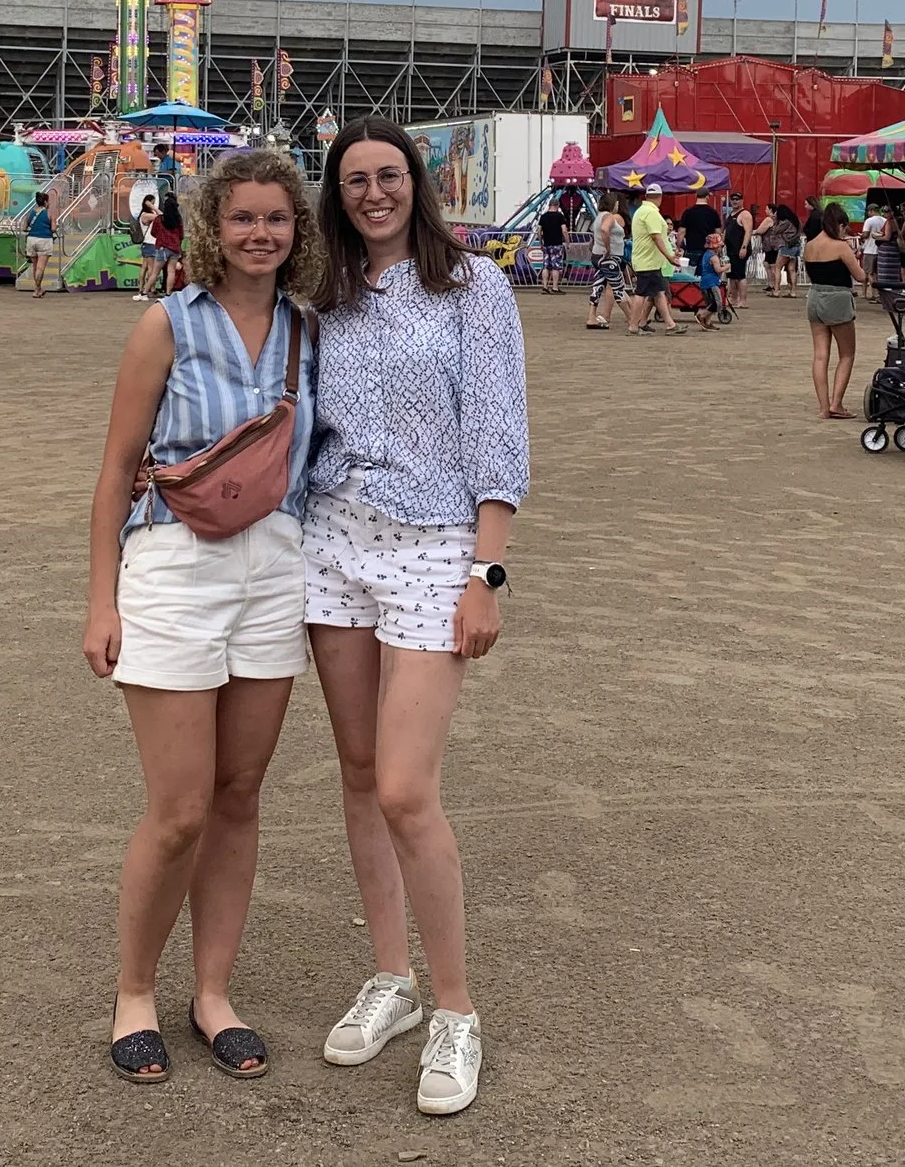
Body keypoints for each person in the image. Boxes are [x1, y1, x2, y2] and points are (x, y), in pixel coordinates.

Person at [83, 149, 326, 1087]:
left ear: (296, 230)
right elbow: (114, 472)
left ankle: (213, 990)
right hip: (174, 567)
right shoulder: (165, 325)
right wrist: (101, 598)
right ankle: (135, 989)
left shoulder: (309, 329)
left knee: (239, 794)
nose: (261, 233)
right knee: (180, 807)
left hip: (274, 569)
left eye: (278, 218)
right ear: (210, 225)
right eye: (243, 217)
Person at [306, 117, 525, 1119]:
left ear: (416, 183)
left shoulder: (473, 287)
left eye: (387, 176)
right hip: (332, 541)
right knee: (356, 775)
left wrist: (488, 570)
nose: (372, 194)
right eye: (354, 181)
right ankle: (388, 977)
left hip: (436, 544)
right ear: (337, 194)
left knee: (405, 788)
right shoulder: (325, 291)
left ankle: (455, 1009)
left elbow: (497, 427)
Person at [803, 202, 870, 418]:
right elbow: (859, 276)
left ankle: (823, 407)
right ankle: (837, 403)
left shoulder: (810, 245)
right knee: (847, 354)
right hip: (838, 298)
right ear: (840, 225)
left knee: (820, 355)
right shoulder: (841, 246)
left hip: (814, 297)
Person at [626, 185, 682, 334]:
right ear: (660, 197)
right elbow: (656, 237)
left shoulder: (641, 211)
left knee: (658, 292)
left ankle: (670, 325)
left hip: (648, 260)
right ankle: (633, 325)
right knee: (641, 294)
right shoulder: (651, 213)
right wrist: (669, 257)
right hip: (648, 261)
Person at [584, 192, 628, 329]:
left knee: (598, 285)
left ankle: (592, 317)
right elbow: (604, 230)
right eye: (616, 203)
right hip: (609, 258)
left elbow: (596, 233)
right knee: (618, 287)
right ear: (612, 204)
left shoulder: (598, 217)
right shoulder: (608, 216)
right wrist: (608, 248)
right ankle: (633, 319)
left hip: (597, 256)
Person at [675, 193, 721, 289]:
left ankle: (690, 298)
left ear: (696, 196)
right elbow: (718, 233)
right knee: (706, 276)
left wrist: (678, 246)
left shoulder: (688, 212)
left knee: (689, 277)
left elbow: (682, 231)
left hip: (692, 249)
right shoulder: (713, 213)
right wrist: (718, 249)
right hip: (709, 251)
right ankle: (705, 300)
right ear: (707, 196)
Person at [534, 196, 568, 295]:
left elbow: (539, 231)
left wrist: (541, 243)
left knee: (545, 266)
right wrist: (568, 242)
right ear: (557, 206)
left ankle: (544, 287)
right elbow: (564, 231)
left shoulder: (543, 216)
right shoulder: (560, 216)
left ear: (549, 205)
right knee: (556, 267)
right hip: (557, 245)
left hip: (546, 245)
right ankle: (555, 287)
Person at [26, 190, 57, 297]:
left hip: (31, 239)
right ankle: (36, 290)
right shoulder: (50, 213)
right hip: (44, 239)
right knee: (40, 267)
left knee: (35, 266)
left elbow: (24, 227)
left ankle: (38, 288)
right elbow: (53, 228)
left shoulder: (30, 212)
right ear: (45, 202)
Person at [724, 195, 753, 309]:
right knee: (731, 275)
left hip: (740, 249)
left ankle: (743, 300)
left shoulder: (745, 214)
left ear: (742, 200)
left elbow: (748, 231)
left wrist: (744, 247)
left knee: (740, 275)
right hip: (731, 250)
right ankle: (733, 298)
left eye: (737, 199)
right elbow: (726, 231)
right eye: (733, 199)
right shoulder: (731, 215)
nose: (735, 202)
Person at [694, 231, 727, 329]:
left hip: (706, 282)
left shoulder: (706, 254)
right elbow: (718, 270)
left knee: (710, 304)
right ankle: (702, 315)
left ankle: (707, 322)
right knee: (717, 304)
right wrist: (727, 266)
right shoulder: (714, 257)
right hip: (711, 283)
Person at [134, 195, 163, 300]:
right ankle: (151, 289)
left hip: (147, 243)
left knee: (145, 267)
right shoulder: (146, 215)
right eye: (152, 202)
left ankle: (141, 289)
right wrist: (153, 207)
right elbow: (161, 216)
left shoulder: (144, 214)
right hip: (150, 242)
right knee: (151, 268)